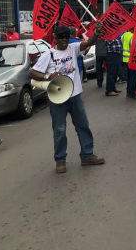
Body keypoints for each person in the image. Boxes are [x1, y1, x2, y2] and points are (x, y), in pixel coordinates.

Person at [30, 24, 105, 174]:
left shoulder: (73, 48)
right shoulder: (48, 55)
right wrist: (47, 76)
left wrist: (96, 32)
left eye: (66, 37)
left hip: (75, 94)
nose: (64, 40)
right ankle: (60, 160)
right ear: (55, 38)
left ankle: (87, 155)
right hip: (58, 98)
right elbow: (32, 72)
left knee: (83, 126)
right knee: (59, 130)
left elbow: (88, 43)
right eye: (61, 37)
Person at [122, 28, 136, 98]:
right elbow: (134, 48)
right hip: (132, 60)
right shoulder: (133, 36)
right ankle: (132, 93)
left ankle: (129, 91)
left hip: (125, 59)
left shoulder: (124, 35)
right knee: (133, 77)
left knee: (129, 76)